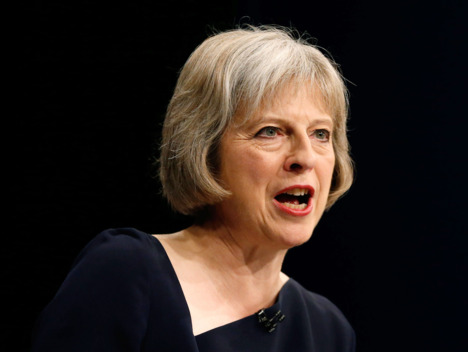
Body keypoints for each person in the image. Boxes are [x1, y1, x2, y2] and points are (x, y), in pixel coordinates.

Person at [31, 25, 356, 351]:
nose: (305, 157)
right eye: (270, 131)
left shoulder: (328, 330)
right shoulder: (125, 273)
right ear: (205, 149)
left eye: (320, 134)